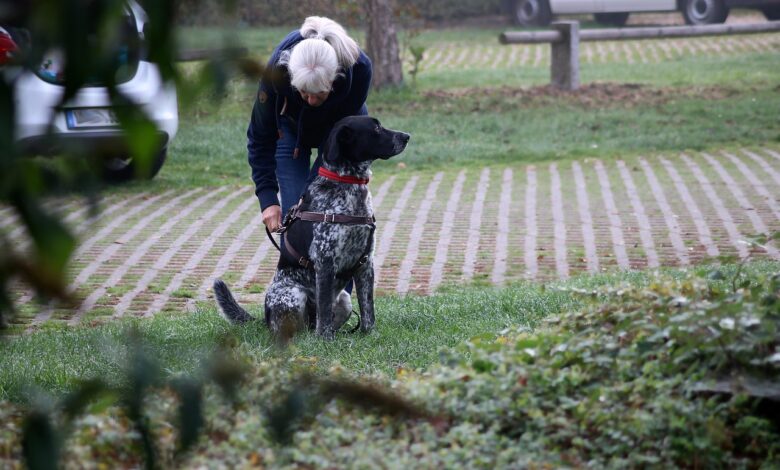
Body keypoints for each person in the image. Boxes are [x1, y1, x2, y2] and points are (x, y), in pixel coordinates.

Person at [247, 16, 373, 232]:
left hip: (339, 128)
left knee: (324, 207)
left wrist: (309, 194)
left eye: (319, 93)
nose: (312, 100)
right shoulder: (276, 74)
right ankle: (293, 264)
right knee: (294, 213)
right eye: (304, 93)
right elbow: (260, 136)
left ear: (335, 79)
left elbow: (343, 136)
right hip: (290, 127)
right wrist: (267, 198)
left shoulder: (360, 69)